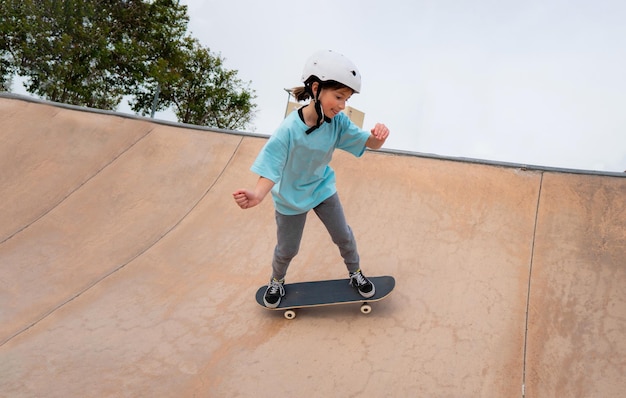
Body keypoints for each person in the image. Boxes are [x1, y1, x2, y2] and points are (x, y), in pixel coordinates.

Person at [232, 50, 390, 308]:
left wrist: (378, 139)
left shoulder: (338, 123)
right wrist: (257, 195)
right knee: (287, 250)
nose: (341, 106)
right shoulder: (288, 130)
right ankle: (277, 280)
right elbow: (272, 166)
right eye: (338, 97)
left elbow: (367, 142)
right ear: (316, 89)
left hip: (321, 189)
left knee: (343, 236)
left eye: (346, 99)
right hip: (290, 197)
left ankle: (355, 273)